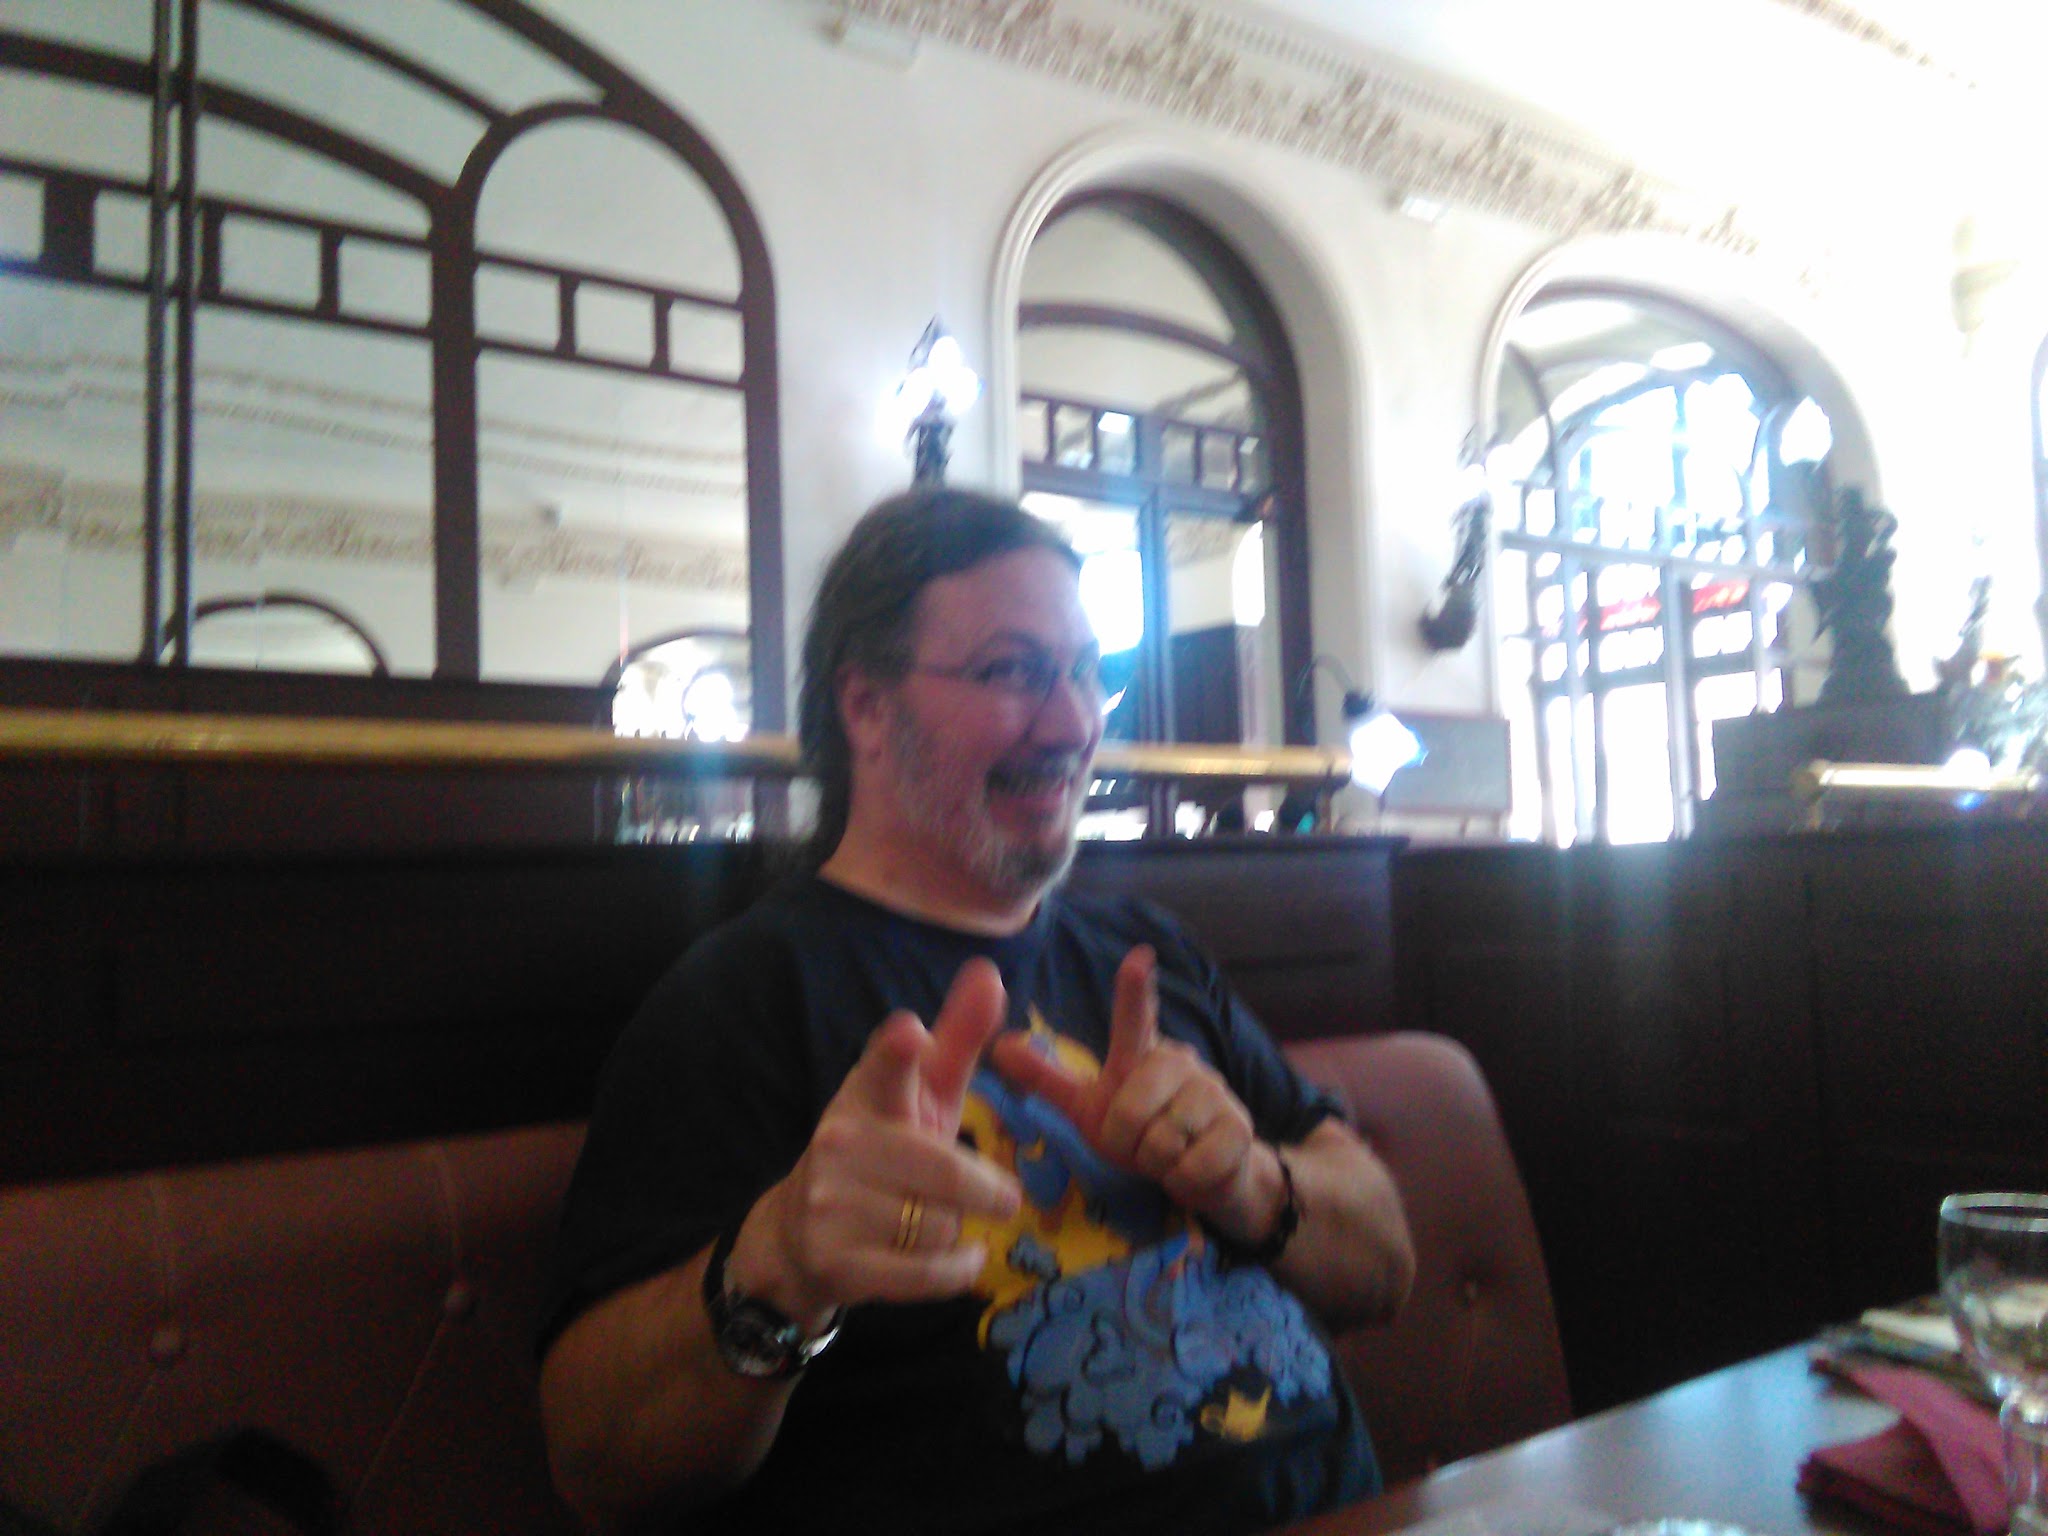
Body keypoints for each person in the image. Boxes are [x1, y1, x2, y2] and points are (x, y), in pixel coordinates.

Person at [536, 487, 1415, 1535]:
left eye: (1085, 672)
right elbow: (594, 1463)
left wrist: (1250, 1181)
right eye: (1012, 672)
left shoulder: (1146, 957)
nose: (1072, 723)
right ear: (866, 707)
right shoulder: (743, 998)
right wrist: (773, 1268)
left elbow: (1384, 1267)